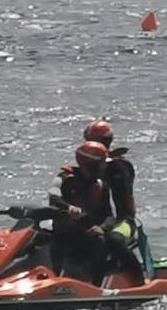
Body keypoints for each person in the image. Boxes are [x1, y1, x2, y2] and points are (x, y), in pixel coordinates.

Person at [83, 120, 145, 283]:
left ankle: (138, 278)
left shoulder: (120, 166)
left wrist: (104, 165)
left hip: (124, 221)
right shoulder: (88, 165)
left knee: (113, 238)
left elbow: (122, 182)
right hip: (101, 220)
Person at [48, 141, 112, 286]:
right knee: (52, 238)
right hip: (65, 234)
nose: (105, 167)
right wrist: (68, 207)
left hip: (87, 234)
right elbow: (53, 196)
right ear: (91, 164)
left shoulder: (101, 185)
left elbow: (109, 215)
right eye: (102, 163)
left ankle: (97, 286)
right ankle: (54, 280)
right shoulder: (64, 178)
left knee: (101, 241)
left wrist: (102, 227)